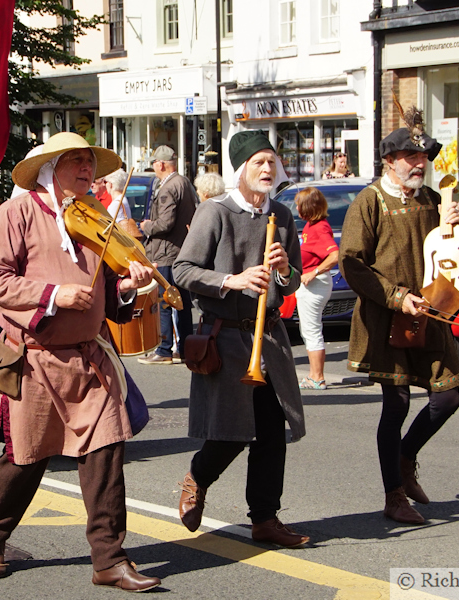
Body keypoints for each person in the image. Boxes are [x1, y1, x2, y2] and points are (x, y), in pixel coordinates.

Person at [0, 132, 161, 591]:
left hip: (90, 360)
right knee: (24, 459)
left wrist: (128, 287)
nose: (86, 169)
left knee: (106, 453)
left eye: (89, 161)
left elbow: (109, 295)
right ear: (49, 168)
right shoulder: (15, 213)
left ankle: (109, 560)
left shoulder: (97, 217)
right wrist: (54, 295)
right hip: (34, 360)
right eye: (75, 160)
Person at [172, 130, 308, 547]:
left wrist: (283, 271)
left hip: (269, 338)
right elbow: (182, 270)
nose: (267, 169)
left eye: (271, 161)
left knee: (271, 431)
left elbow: (293, 280)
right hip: (226, 336)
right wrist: (231, 280)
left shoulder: (281, 216)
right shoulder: (215, 211)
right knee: (232, 432)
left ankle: (265, 519)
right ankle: (198, 476)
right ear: (242, 169)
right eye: (258, 162)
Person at [339, 110, 459, 525]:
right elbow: (351, 263)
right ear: (390, 161)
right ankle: (393, 495)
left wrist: (455, 229)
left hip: (430, 312)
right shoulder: (369, 201)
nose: (420, 163)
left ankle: (405, 458)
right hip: (386, 317)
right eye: (411, 156)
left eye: (423, 156)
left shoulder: (432, 200)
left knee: (447, 398)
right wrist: (396, 296)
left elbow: (445, 255)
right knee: (397, 404)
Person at [138, 145, 198, 365]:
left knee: (165, 301)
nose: (154, 167)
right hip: (181, 251)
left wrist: (146, 226)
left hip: (166, 253)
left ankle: (164, 350)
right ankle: (185, 348)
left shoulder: (168, 187)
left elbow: (165, 223)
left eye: (154, 163)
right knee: (181, 303)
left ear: (161, 164)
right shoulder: (184, 182)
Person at [294, 187, 338, 390]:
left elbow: (335, 255)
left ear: (308, 207)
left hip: (314, 284)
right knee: (308, 329)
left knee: (311, 330)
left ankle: (317, 377)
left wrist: (314, 272)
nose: (296, 208)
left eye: (299, 205)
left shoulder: (319, 228)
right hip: (310, 283)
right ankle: (313, 374)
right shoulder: (311, 226)